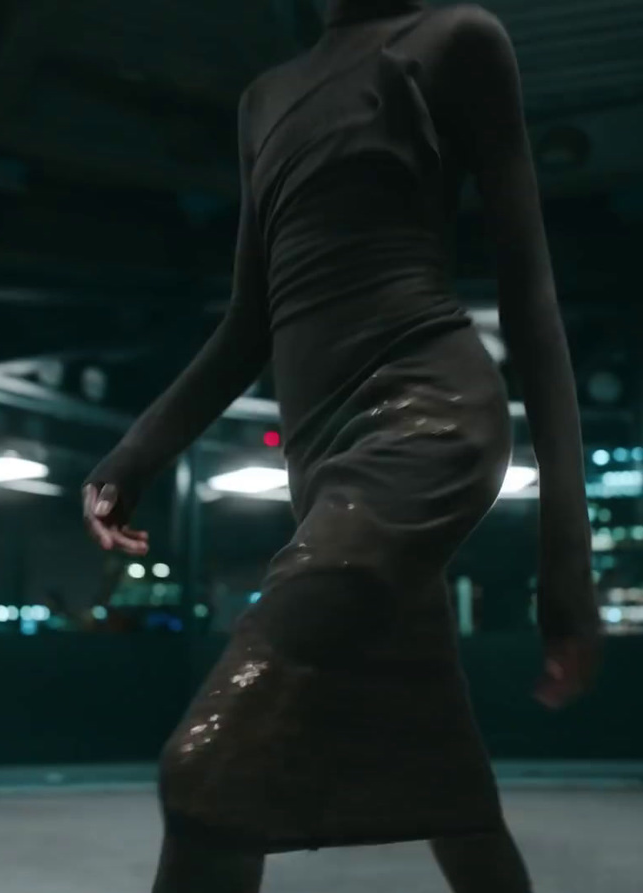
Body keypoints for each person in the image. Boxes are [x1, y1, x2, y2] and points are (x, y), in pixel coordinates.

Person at [81, 1, 599, 889]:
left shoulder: (454, 41)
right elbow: (251, 318)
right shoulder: (264, 98)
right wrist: (132, 455)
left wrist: (569, 574)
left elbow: (531, 299)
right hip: (321, 464)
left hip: (428, 425)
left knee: (210, 767)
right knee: (450, 787)